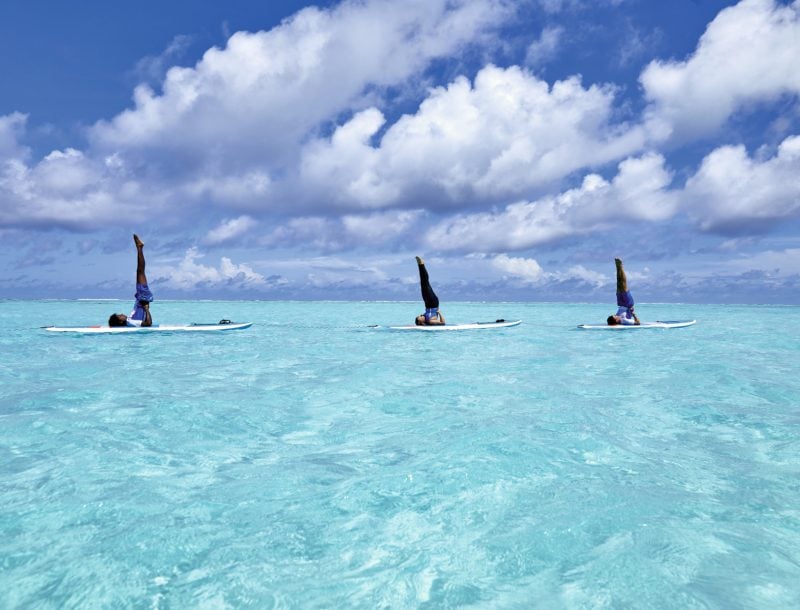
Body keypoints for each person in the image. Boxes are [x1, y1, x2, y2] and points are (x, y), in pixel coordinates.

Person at [108, 234, 153, 327]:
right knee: (140, 271)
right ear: (120, 321)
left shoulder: (129, 320)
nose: (121, 314)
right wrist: (146, 309)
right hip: (143, 298)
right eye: (119, 316)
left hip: (140, 298)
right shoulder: (130, 322)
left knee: (140, 271)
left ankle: (139, 248)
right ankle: (139, 248)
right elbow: (148, 324)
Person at [607, 257, 640, 326]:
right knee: (623, 283)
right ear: (616, 320)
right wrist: (633, 314)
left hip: (620, 303)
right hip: (627, 304)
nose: (615, 315)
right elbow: (638, 323)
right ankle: (621, 265)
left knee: (619, 282)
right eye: (615, 316)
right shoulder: (624, 321)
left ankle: (617, 266)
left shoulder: (617, 319)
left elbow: (610, 322)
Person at [414, 256, 446, 326]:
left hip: (428, 305)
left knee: (423, 284)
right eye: (420, 317)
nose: (420, 315)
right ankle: (421, 265)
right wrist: (439, 313)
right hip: (433, 303)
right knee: (425, 283)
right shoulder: (430, 321)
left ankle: (421, 265)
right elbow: (443, 323)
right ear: (421, 322)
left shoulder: (425, 318)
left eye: (419, 316)